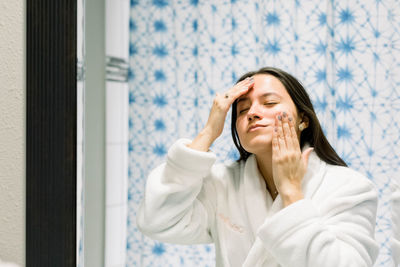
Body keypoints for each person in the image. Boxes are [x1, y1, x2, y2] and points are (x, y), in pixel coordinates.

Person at [137, 67, 379, 267]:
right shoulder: (223, 184)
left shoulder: (350, 188)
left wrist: (292, 194)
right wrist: (208, 132)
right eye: (242, 110)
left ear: (303, 119)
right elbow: (156, 220)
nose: (253, 113)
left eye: (270, 102)